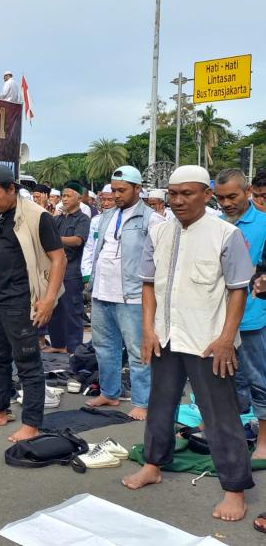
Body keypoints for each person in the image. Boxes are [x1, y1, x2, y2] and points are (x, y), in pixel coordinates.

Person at [123, 164, 254, 523]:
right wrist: (148, 330)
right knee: (160, 404)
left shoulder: (224, 235)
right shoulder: (160, 233)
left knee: (220, 415)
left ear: (206, 194)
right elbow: (149, 284)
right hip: (166, 335)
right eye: (173, 193)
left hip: (207, 341)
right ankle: (153, 464)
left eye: (187, 193)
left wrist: (227, 339)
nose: (177, 201)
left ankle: (234, 488)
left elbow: (237, 290)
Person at [0, 165, 66, 441]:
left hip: (21, 302)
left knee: (28, 364)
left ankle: (32, 424)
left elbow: (59, 258)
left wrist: (47, 300)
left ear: (12, 189)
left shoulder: (37, 216)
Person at [88, 166, 164, 420]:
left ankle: (143, 401)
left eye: (122, 190)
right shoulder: (106, 216)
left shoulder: (152, 219)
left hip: (132, 295)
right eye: (113, 190)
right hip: (102, 292)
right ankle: (110, 392)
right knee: (103, 347)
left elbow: (159, 260)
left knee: (137, 350)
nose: (116, 195)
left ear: (137, 189)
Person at [214, 168, 266, 459]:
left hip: (253, 316)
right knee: (227, 379)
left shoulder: (264, 224)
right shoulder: (217, 224)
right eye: (221, 198)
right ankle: (233, 435)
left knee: (259, 379)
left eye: (232, 196)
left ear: (247, 192)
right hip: (220, 319)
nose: (226, 203)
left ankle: (263, 442)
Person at [45, 182, 90, 354]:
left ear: (79, 198)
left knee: (72, 311)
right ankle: (58, 344)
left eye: (68, 196)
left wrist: (56, 239)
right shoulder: (57, 219)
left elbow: (78, 240)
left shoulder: (83, 219)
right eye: (63, 196)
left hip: (71, 270)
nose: (64, 199)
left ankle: (74, 348)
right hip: (55, 270)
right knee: (55, 309)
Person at [81, 184, 115, 282]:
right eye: (103, 200)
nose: (106, 203)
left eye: (110, 200)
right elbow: (89, 248)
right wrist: (87, 274)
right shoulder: (96, 221)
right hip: (95, 273)